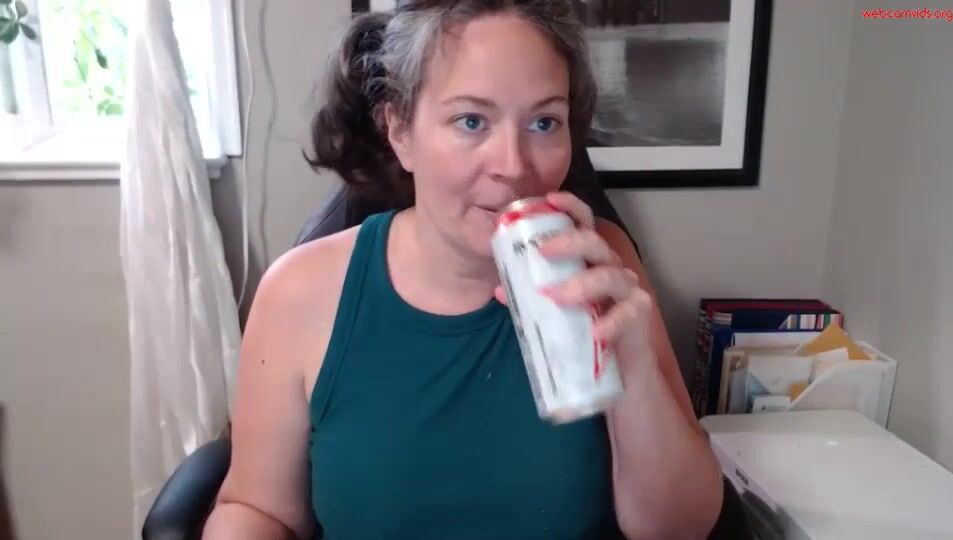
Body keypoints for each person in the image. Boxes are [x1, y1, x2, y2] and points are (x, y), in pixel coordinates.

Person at [202, 1, 722, 538]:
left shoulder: (602, 262)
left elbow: (679, 529)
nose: (514, 166)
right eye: (471, 121)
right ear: (400, 131)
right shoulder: (298, 291)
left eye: (544, 122)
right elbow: (257, 509)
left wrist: (635, 367)